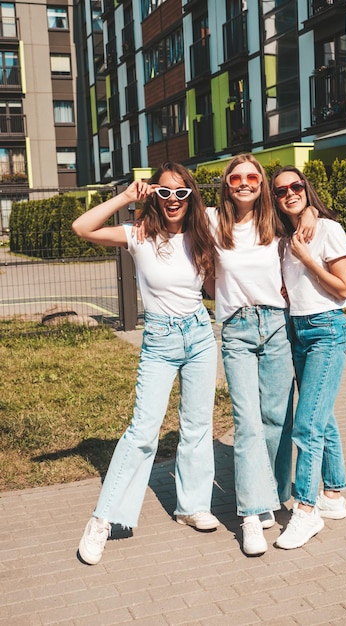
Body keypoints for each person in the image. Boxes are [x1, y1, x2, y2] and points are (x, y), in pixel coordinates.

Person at [72, 162, 219, 566]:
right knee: (142, 432)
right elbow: (82, 228)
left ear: (191, 197)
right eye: (165, 192)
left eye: (181, 193)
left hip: (200, 336)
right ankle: (102, 520)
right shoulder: (138, 234)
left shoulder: (202, 230)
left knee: (196, 425)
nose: (173, 200)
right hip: (160, 340)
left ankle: (192, 505)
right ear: (154, 194)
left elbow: (252, 216)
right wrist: (124, 197)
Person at [205, 154, 299, 557]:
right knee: (247, 423)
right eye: (236, 177)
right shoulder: (211, 221)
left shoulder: (276, 222)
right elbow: (169, 211)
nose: (244, 183)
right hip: (237, 330)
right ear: (226, 184)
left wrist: (309, 214)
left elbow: (306, 209)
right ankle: (251, 514)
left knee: (278, 419)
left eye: (253, 177)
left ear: (261, 184)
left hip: (277, 324)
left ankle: (274, 498)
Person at [270, 165, 346, 550]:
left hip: (326, 331)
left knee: (306, 425)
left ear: (306, 188)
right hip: (297, 331)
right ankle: (333, 496)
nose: (289, 193)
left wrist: (307, 258)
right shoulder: (285, 239)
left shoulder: (327, 230)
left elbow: (342, 288)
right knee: (322, 416)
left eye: (295, 186)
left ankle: (306, 510)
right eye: (281, 190)